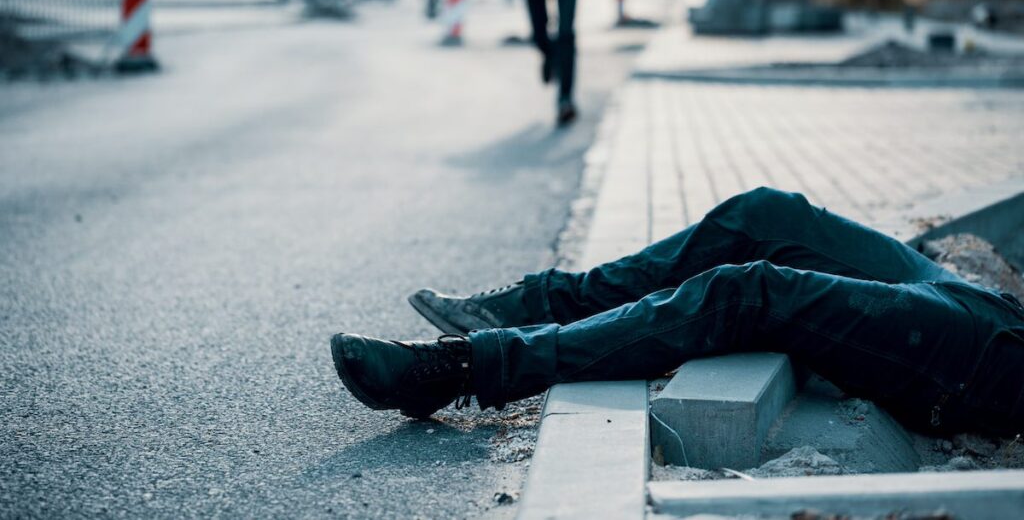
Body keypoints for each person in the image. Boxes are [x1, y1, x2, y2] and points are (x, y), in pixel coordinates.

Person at [330, 187, 1024, 438]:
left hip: (996, 362)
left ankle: (465, 366)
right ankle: (531, 303)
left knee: (744, 292)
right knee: (764, 213)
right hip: (984, 301)